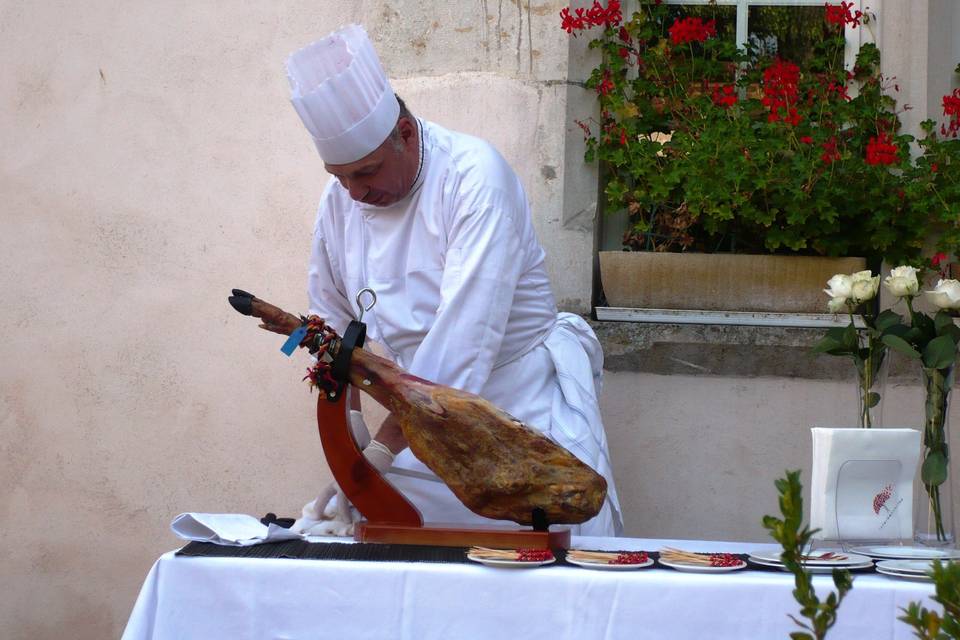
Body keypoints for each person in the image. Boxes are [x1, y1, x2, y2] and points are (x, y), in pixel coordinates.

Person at [285, 24, 622, 536]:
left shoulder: (474, 178)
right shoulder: (339, 202)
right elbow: (326, 319)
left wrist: (377, 452)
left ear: (404, 133)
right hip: (414, 422)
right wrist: (345, 416)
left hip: (519, 421)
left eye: (367, 173)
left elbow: (462, 347)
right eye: (340, 176)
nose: (353, 193)